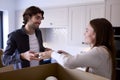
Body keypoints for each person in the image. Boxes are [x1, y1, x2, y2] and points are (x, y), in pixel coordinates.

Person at [39, 18, 116, 80]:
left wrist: (51, 53)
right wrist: (67, 55)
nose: (84, 33)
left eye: (87, 30)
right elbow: (83, 62)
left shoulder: (99, 51)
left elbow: (68, 63)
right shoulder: (103, 50)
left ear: (96, 34)